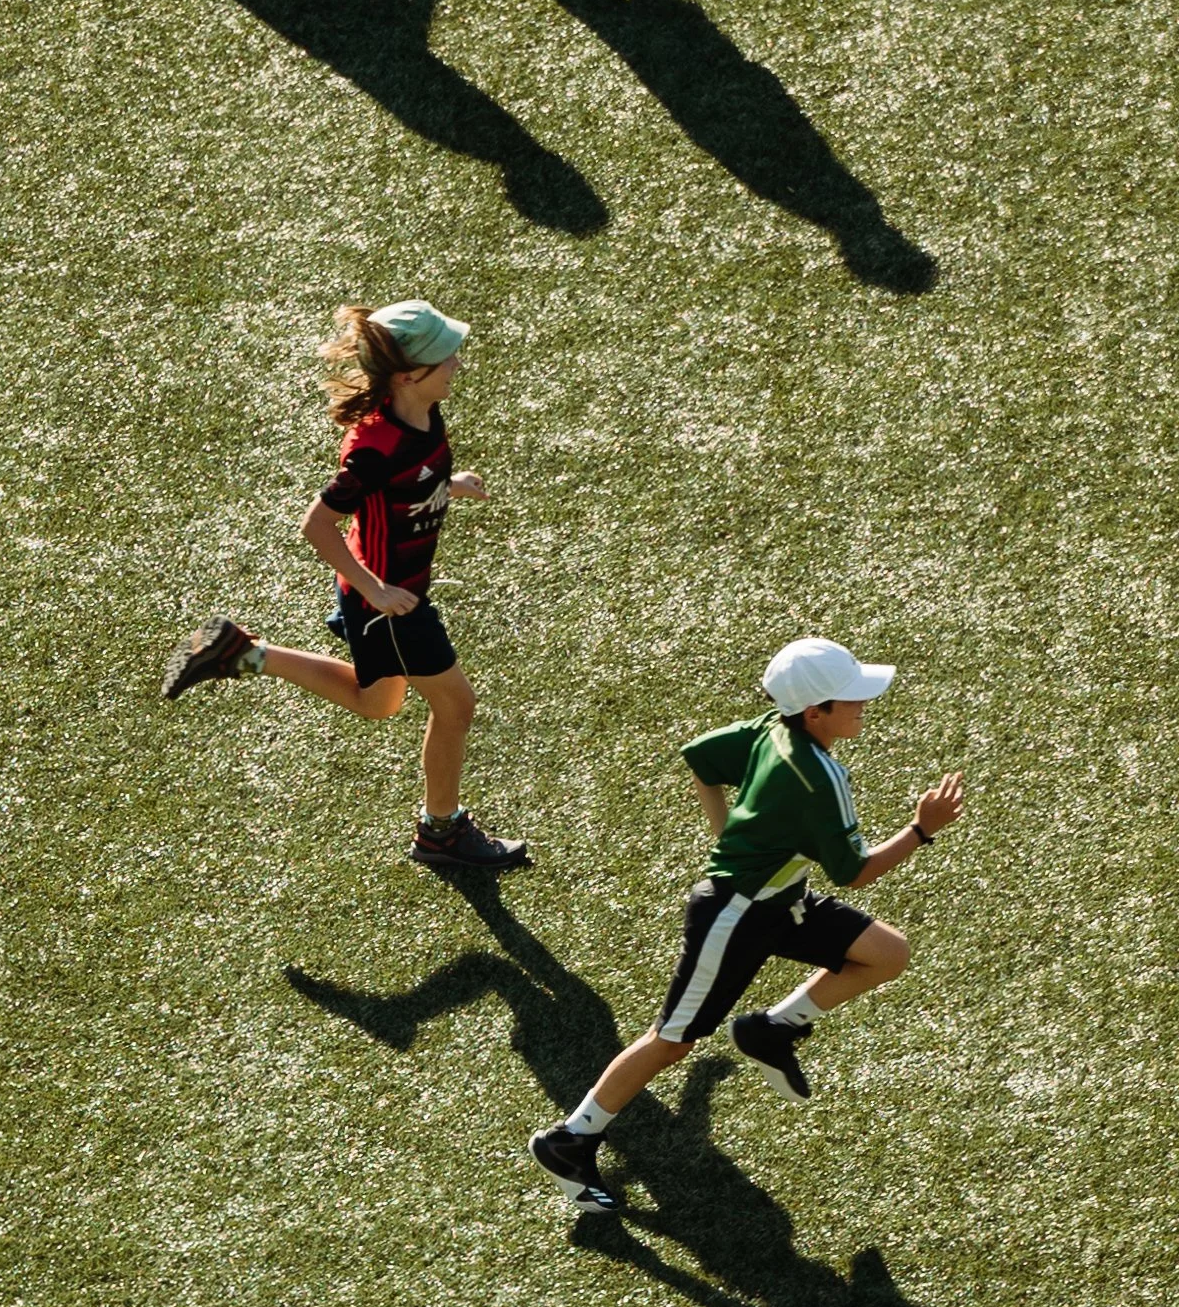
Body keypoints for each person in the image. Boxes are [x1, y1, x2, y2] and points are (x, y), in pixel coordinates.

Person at [529, 639, 965, 1210]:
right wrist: (921, 830)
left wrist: (726, 835)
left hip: (778, 901)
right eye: (852, 698)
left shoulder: (770, 729)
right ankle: (570, 1140)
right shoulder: (819, 776)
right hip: (735, 916)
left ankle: (771, 1029)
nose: (864, 705)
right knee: (671, 1042)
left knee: (886, 953)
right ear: (816, 712)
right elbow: (855, 873)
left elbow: (701, 759)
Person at [161, 299, 531, 874]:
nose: (457, 362)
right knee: (457, 706)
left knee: (377, 702)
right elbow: (318, 524)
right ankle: (442, 831)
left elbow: (402, 489)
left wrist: (446, 486)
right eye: (445, 357)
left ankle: (242, 653)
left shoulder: (422, 413)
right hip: (391, 603)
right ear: (410, 374)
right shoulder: (376, 446)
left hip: (388, 596)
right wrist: (375, 589)